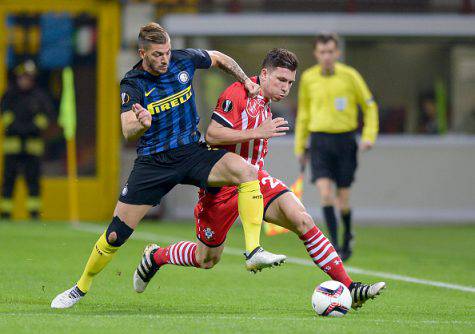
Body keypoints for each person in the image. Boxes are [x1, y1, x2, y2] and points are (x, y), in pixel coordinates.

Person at [51, 23, 285, 309]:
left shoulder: (183, 60)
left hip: (191, 153)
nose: (165, 59)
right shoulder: (133, 83)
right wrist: (142, 123)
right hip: (154, 163)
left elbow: (219, 57)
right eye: (158, 54)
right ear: (143, 53)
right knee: (115, 235)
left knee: (246, 172)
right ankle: (80, 287)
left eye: (167, 52)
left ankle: (253, 250)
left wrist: (245, 80)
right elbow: (127, 130)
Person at [133, 48, 385, 309]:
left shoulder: (265, 99)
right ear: (264, 74)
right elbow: (212, 135)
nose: (285, 88)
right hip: (222, 186)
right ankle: (156, 256)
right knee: (206, 258)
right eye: (280, 80)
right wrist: (258, 131)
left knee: (302, 219)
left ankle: (350, 286)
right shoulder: (238, 93)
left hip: (254, 181)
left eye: (290, 83)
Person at [295, 33, 379, 261]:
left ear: (337, 53)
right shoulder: (309, 78)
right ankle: (334, 245)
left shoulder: (350, 76)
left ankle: (348, 235)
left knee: (343, 199)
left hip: (345, 141)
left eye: (331, 51)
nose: (327, 56)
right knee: (325, 194)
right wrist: (300, 147)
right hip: (319, 140)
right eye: (322, 52)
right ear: (316, 54)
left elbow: (370, 106)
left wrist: (369, 136)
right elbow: (303, 113)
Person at [0, 60, 53, 220]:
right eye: (23, 77)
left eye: (29, 78)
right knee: (8, 180)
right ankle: (5, 213)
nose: (26, 81)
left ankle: (34, 214)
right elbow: (4, 115)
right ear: (18, 77)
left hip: (33, 145)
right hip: (12, 145)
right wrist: (16, 127)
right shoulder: (9, 95)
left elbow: (47, 117)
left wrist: (31, 128)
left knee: (33, 181)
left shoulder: (39, 97)